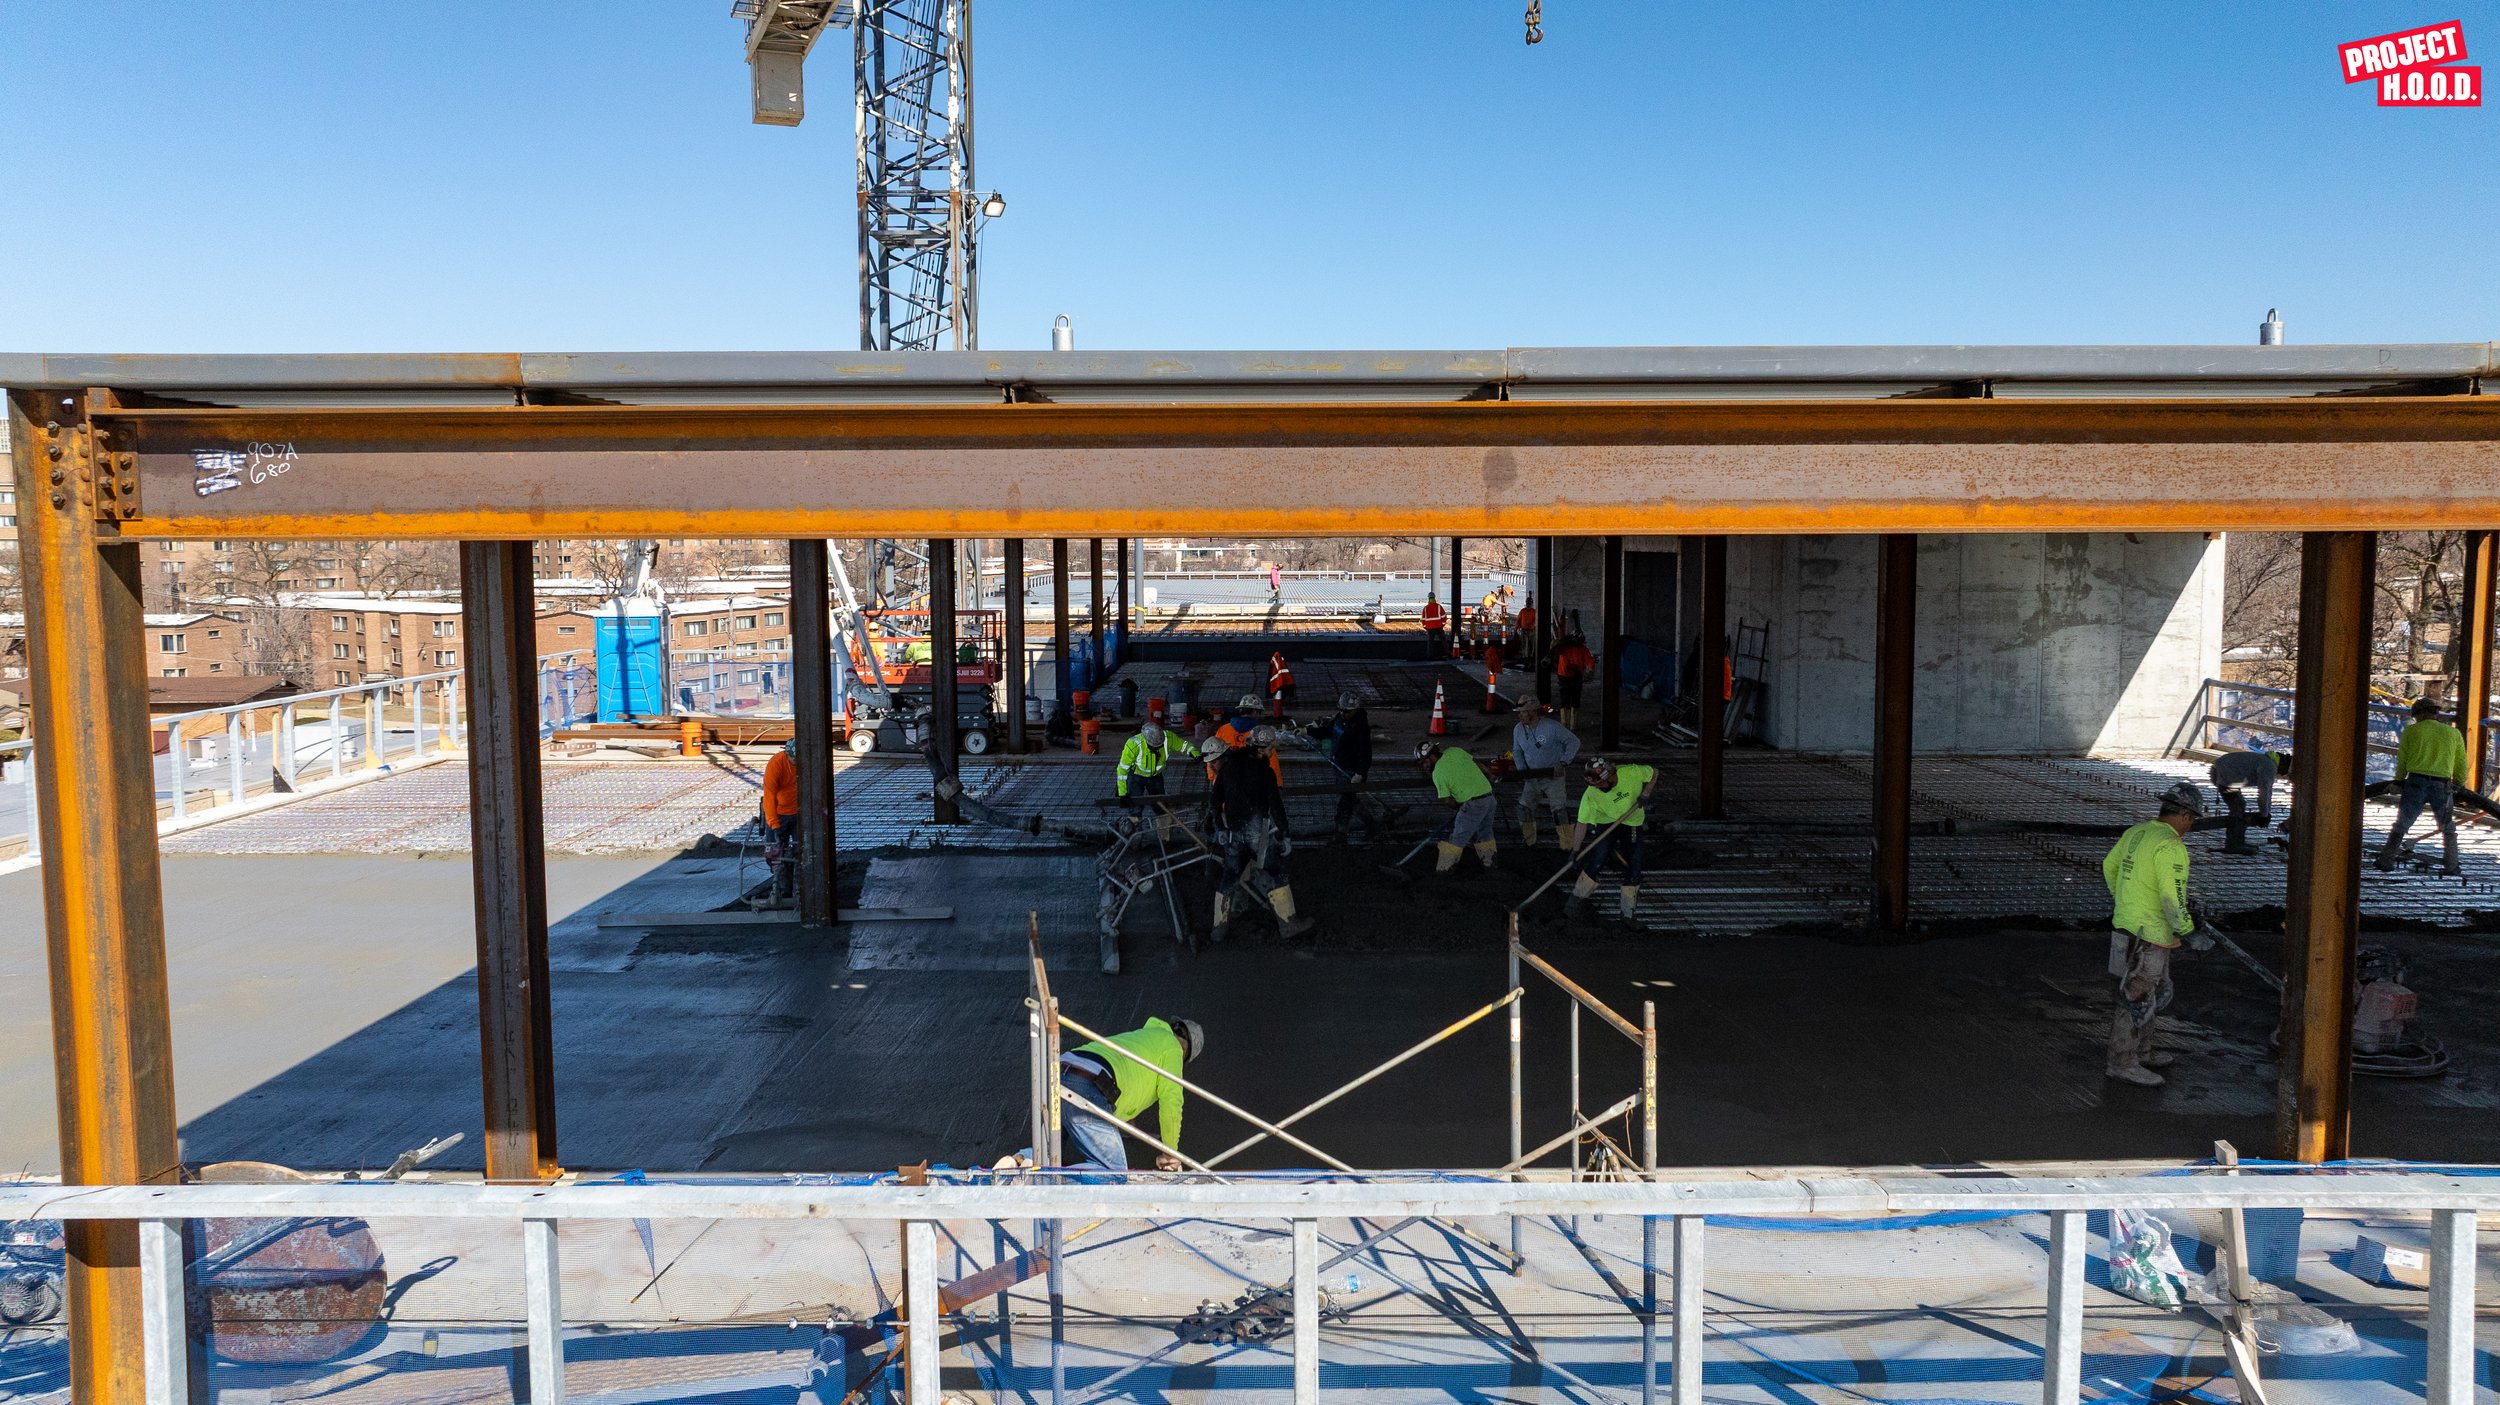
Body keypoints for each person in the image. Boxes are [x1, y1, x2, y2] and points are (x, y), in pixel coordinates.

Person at [2102, 781, 2204, 1086]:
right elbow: (2172, 898)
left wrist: (2126, 903)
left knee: (2151, 991)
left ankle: (2142, 1052)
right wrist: (2189, 929)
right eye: (2192, 819)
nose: (2190, 826)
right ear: (2185, 815)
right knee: (2137, 995)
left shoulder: (2137, 832)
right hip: (2151, 935)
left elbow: (2110, 866)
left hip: (2125, 927)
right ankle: (2121, 1062)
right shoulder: (2170, 845)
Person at [1059, 1015, 1205, 1172]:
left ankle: (1029, 1159)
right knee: (1113, 1171)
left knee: (1046, 1159)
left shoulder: (1144, 1038)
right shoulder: (1173, 1046)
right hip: (1089, 1085)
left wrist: (1129, 1123)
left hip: (1061, 1072)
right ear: (1185, 1049)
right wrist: (1170, 1153)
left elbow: (1128, 1077)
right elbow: (1172, 1100)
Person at [1205, 731, 1311, 937]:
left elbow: (1214, 802)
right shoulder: (1265, 772)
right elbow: (1276, 806)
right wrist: (1285, 833)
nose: (1273, 752)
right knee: (1276, 872)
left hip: (1234, 834)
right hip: (1257, 834)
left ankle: (1218, 929)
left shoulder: (1228, 767)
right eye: (1271, 749)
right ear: (1261, 749)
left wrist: (1221, 829)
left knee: (1228, 877)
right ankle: (1289, 924)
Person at [2377, 698, 2467, 876]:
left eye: (2416, 715)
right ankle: (2452, 865)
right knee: (2447, 826)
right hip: (2442, 784)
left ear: (2421, 713)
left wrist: (2398, 781)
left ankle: (2386, 861)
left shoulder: (2412, 732)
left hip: (2415, 783)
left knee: (2402, 824)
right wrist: (2459, 783)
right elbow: (2461, 762)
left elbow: (2402, 760)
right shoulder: (2453, 733)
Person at [1568, 756, 1656, 920]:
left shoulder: (1631, 772)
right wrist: (1575, 850)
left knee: (1634, 865)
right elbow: (1582, 822)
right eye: (1594, 785)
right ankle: (1574, 903)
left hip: (1631, 822)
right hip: (1606, 822)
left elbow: (1654, 772)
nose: (1597, 788)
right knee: (1597, 859)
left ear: (1610, 776)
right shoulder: (1591, 794)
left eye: (1600, 784)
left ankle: (1628, 914)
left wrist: (1646, 793)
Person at [1417, 739, 1498, 873]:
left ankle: (1445, 869)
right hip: (1489, 798)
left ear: (1432, 756)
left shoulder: (1438, 773)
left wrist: (1460, 809)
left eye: (1424, 762)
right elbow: (1476, 763)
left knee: (1457, 838)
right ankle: (1490, 864)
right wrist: (1489, 774)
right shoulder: (1455, 751)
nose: (1424, 766)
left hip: (1473, 804)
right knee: (1485, 833)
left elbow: (1448, 801)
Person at [1510, 696, 1581, 846]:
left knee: (1559, 811)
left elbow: (1574, 742)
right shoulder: (1518, 729)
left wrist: (1563, 762)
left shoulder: (1552, 727)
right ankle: (1529, 841)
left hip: (1553, 775)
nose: (1520, 715)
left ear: (1532, 712)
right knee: (1524, 808)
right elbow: (1516, 751)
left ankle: (1567, 845)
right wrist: (1522, 769)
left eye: (1523, 712)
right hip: (1532, 776)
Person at [1305, 691, 1373, 841]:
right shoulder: (1339, 719)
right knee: (1349, 800)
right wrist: (1308, 730)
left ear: (1355, 709)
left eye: (1347, 711)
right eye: (1341, 709)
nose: (1343, 713)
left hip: (1351, 771)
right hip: (1339, 767)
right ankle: (1372, 825)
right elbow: (1327, 731)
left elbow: (1365, 753)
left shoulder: (1360, 727)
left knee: (1344, 804)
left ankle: (1340, 836)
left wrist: (1360, 773)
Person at [2208, 748, 2290, 855]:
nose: (2284, 775)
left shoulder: (2267, 762)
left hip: (2221, 770)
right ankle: (2233, 845)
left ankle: (2238, 842)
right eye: (2286, 772)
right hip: (2222, 774)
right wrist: (2264, 815)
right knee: (2237, 806)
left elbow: (2268, 792)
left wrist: (2266, 813)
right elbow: (2264, 793)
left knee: (2239, 805)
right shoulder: (2269, 767)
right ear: (2283, 765)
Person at [1116, 720, 1198, 811]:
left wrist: (1195, 753)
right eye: (1154, 746)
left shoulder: (1168, 738)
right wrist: (1122, 793)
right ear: (1146, 740)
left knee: (1160, 804)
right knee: (1135, 805)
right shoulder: (1133, 745)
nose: (1157, 748)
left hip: (1156, 776)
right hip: (1136, 775)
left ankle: (1162, 821)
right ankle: (1135, 821)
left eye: (1159, 746)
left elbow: (1183, 745)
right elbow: (1122, 770)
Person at [760, 738, 801, 901]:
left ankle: (800, 887)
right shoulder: (776, 764)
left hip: (799, 813)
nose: (796, 763)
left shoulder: (805, 764)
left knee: (802, 851)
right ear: (787, 754)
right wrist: (774, 823)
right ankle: (782, 889)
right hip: (779, 814)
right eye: (793, 760)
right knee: (776, 853)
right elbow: (769, 797)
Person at [1552, 630, 1596, 731]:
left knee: (1566, 698)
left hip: (1567, 675)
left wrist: (1590, 669)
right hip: (1572, 676)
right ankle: (1572, 725)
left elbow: (1590, 661)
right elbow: (1590, 662)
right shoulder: (1579, 648)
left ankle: (1565, 724)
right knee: (1573, 698)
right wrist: (1589, 670)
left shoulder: (1566, 647)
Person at [1514, 593, 1540, 669]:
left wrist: (1532, 625)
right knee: (1525, 645)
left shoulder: (1534, 611)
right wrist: (1516, 630)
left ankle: (1531, 658)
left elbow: (1536, 621)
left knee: (1532, 645)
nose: (1529, 604)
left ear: (1532, 603)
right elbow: (1518, 621)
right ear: (1526, 603)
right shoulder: (1522, 611)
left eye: (1530, 602)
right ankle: (1525, 658)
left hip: (1532, 631)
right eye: (1528, 602)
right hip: (1524, 631)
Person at [1420, 592, 1448, 657]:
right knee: (1443, 641)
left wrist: (1425, 626)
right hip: (1439, 627)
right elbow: (1444, 617)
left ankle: (1430, 656)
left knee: (1430, 643)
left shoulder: (1425, 608)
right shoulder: (1439, 606)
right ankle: (1447, 654)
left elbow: (1423, 619)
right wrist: (1442, 625)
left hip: (1429, 628)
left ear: (1428, 598)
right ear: (1434, 598)